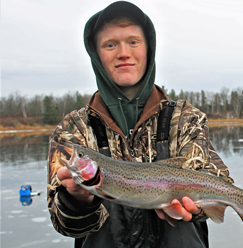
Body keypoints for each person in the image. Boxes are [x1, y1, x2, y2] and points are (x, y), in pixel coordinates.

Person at [47, 1, 233, 247]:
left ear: (149, 49)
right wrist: (77, 200)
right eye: (110, 44)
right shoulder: (73, 128)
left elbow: (215, 177)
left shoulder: (186, 118)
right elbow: (64, 224)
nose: (123, 52)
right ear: (96, 54)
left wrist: (195, 208)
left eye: (133, 42)